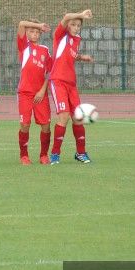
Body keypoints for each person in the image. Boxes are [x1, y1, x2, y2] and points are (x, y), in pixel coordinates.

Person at [48, 9, 94, 165]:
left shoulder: (77, 39)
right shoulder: (60, 35)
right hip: (58, 81)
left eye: (78, 25)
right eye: (73, 25)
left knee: (78, 118)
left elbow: (70, 55)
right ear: (67, 26)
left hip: (71, 83)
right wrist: (81, 15)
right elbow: (67, 16)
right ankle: (55, 154)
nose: (75, 27)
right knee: (64, 116)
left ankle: (81, 153)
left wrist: (82, 57)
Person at [16, 19, 53, 165]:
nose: (35, 34)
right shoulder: (24, 46)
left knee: (46, 125)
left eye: (37, 32)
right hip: (25, 93)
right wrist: (39, 25)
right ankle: (24, 155)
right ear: (26, 33)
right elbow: (21, 24)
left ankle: (44, 155)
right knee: (25, 125)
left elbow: (50, 72)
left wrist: (42, 91)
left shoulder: (45, 50)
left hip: (41, 94)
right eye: (32, 31)